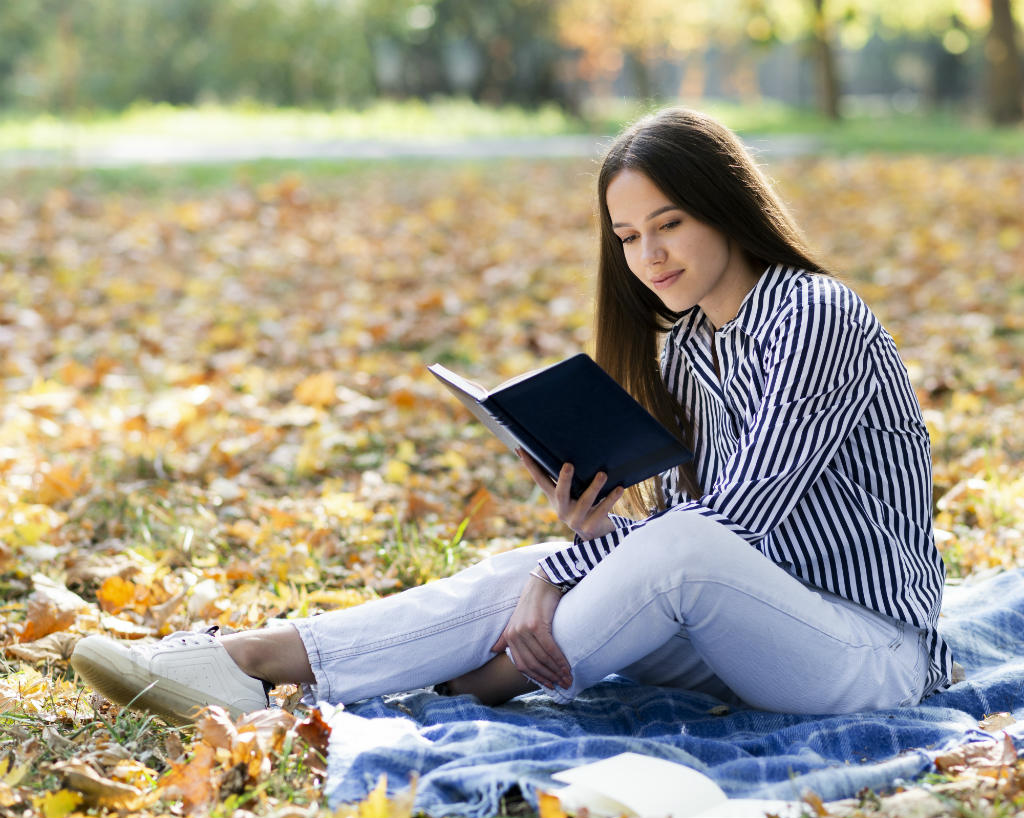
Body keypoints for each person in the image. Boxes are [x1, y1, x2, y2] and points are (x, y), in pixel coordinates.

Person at [71, 108, 953, 726]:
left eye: (668, 224)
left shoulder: (813, 313)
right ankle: (243, 662)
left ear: (724, 207)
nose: (648, 255)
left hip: (864, 654)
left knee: (647, 557)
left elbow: (735, 527)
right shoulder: (691, 346)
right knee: (523, 567)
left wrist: (577, 566)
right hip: (758, 631)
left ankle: (467, 689)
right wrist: (595, 534)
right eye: (626, 236)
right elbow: (717, 535)